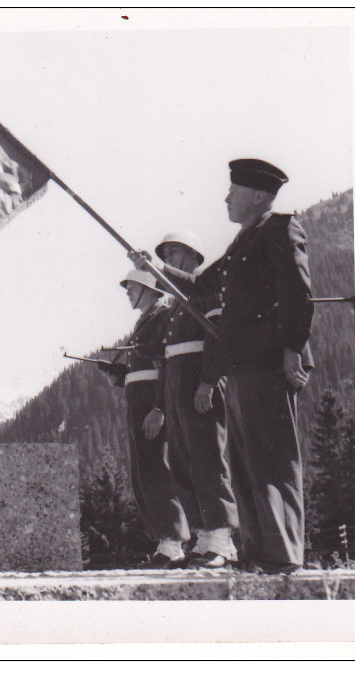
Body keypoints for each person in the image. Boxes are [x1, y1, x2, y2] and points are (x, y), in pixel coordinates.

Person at [199, 158, 314, 574]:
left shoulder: (280, 229)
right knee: (247, 461)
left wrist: (290, 351)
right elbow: (201, 283)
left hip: (268, 361)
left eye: (235, 190)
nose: (227, 197)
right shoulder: (242, 242)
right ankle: (256, 553)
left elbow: (298, 295)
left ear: (260, 196)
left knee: (273, 459)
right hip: (243, 365)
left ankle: (283, 555)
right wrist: (153, 267)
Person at [135, 231, 240, 569]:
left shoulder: (206, 291)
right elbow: (166, 356)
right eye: (166, 254)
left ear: (194, 256)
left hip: (198, 379)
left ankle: (223, 538)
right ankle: (205, 536)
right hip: (177, 382)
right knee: (183, 461)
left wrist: (208, 382)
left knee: (208, 457)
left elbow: (220, 339)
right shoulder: (176, 305)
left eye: (175, 253)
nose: (169, 260)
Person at [101, 270, 191, 568]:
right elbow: (140, 371)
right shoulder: (145, 320)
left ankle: (174, 542)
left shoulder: (162, 316)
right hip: (138, 399)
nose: (128, 292)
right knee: (145, 471)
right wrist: (119, 377)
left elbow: (164, 366)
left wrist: (160, 409)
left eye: (133, 287)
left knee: (158, 468)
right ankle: (165, 542)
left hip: (152, 400)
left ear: (151, 290)